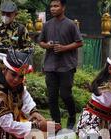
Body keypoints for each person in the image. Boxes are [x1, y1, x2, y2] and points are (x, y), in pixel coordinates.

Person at [38, 0, 83, 129]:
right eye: (51, 6)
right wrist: (47, 45)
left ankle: (72, 116)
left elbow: (79, 42)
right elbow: (41, 42)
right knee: (52, 96)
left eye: (56, 6)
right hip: (50, 65)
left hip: (66, 65)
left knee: (65, 94)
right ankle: (56, 123)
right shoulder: (46, 25)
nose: (53, 9)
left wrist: (64, 48)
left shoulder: (70, 24)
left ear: (63, 7)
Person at [0, 1, 33, 87]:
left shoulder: (21, 29)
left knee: (12, 99)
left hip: (12, 74)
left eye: (8, 14)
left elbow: (28, 49)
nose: (5, 16)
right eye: (3, 13)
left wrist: (12, 54)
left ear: (15, 14)